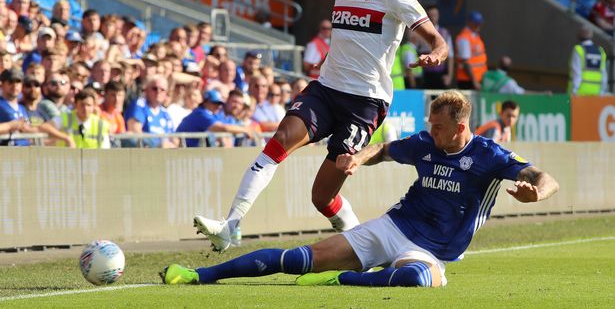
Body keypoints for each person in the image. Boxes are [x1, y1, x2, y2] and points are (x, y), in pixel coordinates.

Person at [192, 0, 448, 253]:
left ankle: (359, 240)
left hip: (365, 103)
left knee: (321, 196)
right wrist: (329, 57)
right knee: (280, 141)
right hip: (326, 89)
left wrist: (436, 54)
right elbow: (348, 36)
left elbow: (436, 40)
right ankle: (230, 226)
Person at [161, 91, 559, 287]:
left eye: (437, 127)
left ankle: (344, 279)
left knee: (415, 280)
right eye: (430, 124)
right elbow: (384, 149)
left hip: (433, 250)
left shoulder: (489, 155)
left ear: (459, 127)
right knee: (299, 258)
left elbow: (547, 179)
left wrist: (535, 193)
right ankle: (198, 275)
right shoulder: (425, 143)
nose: (430, 131)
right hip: (394, 226)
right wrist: (357, 158)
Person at [177, 89, 255, 147]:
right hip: (182, 151)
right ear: (205, 102)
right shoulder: (201, 113)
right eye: (214, 103)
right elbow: (224, 128)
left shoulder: (224, 116)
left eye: (219, 103)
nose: (217, 106)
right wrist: (245, 130)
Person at [125, 74, 177, 148]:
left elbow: (174, 139)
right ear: (146, 90)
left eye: (162, 90)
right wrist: (157, 145)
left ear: (166, 93)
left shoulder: (165, 114)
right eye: (155, 88)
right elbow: (134, 132)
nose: (158, 92)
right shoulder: (139, 105)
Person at [422, 5, 454, 90]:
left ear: (438, 16)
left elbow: (450, 56)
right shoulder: (421, 32)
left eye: (435, 15)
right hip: (426, 74)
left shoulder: (445, 33)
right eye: (430, 15)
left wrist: (449, 76)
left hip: (441, 73)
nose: (433, 17)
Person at [568, 26, 607, 95]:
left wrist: (573, 91)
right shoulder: (600, 51)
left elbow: (577, 72)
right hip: (596, 92)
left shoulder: (578, 50)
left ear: (579, 36)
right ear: (591, 36)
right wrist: (602, 92)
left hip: (579, 92)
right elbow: (603, 74)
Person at [455, 11, 487, 90]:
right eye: (476, 23)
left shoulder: (475, 35)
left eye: (479, 23)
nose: (478, 25)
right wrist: (474, 81)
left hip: (477, 79)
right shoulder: (464, 38)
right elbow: (465, 62)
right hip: (468, 81)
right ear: (470, 23)